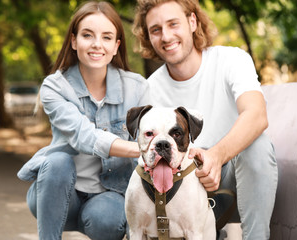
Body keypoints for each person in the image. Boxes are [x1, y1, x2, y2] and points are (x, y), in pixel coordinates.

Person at [133, 0, 278, 239]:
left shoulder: (232, 60)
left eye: (173, 24)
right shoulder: (149, 89)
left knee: (258, 146)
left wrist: (216, 155)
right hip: (182, 194)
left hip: (237, 185)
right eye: (156, 30)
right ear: (148, 37)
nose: (166, 36)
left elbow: (257, 115)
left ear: (192, 22)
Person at [17, 2, 147, 240]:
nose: (97, 44)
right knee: (57, 162)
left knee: (107, 218)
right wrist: (141, 148)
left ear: (116, 46)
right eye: (88, 35)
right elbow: (84, 135)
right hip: (57, 197)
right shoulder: (55, 87)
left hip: (109, 196)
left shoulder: (137, 88)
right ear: (74, 41)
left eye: (107, 37)